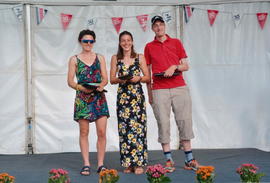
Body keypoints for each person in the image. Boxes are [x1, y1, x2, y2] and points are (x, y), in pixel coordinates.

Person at [144, 16, 200, 172]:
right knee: (163, 122)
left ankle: (190, 159)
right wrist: (149, 94)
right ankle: (168, 160)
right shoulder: (149, 47)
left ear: (165, 26)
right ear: (152, 28)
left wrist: (174, 67)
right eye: (156, 25)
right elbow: (148, 72)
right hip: (159, 89)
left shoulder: (176, 42)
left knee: (184, 121)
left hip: (179, 87)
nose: (159, 27)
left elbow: (186, 65)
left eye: (161, 24)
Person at [67, 29, 109, 175]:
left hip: (99, 98)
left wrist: (101, 85)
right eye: (86, 41)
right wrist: (81, 88)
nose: (88, 43)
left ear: (94, 42)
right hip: (82, 99)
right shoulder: (74, 59)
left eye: (91, 41)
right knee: (84, 131)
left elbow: (105, 78)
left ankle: (101, 164)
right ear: (80, 42)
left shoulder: (100, 58)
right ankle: (86, 164)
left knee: (102, 132)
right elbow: (70, 81)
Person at [110, 31, 150, 174]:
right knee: (125, 130)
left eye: (128, 40)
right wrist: (123, 79)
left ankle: (138, 163)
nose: (126, 43)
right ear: (120, 43)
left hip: (137, 98)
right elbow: (112, 79)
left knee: (138, 130)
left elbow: (147, 77)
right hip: (123, 98)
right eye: (123, 41)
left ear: (132, 42)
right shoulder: (115, 58)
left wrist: (137, 78)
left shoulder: (140, 57)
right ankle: (128, 163)